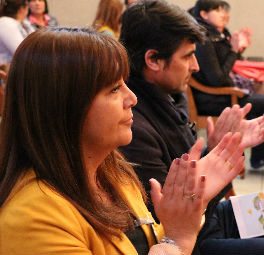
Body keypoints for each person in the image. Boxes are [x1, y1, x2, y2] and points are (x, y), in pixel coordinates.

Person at [0, 26, 249, 255]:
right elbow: (168, 242)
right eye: (114, 89)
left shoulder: (112, 172)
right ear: (65, 107)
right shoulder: (35, 217)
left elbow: (150, 242)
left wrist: (193, 200)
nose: (132, 99)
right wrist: (179, 238)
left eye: (124, 84)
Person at [119, 1, 264, 255]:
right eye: (187, 56)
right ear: (153, 59)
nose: (195, 66)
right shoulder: (133, 128)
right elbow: (171, 219)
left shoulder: (169, 95)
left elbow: (192, 181)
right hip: (191, 241)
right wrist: (220, 155)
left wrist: (218, 147)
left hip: (211, 218)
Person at [191, 0, 264, 131]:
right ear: (204, 14)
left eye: (223, 10)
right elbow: (218, 79)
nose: (223, 14)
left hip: (223, 90)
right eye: (217, 10)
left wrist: (238, 48)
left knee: (261, 79)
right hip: (213, 98)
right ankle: (263, 147)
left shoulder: (215, 33)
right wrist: (234, 50)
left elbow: (226, 63)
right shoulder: (204, 39)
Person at [0, 0, 34, 66]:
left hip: (23, 67)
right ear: (22, 8)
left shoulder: (25, 23)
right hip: (8, 69)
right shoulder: (6, 23)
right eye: (27, 5)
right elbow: (21, 52)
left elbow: (38, 42)